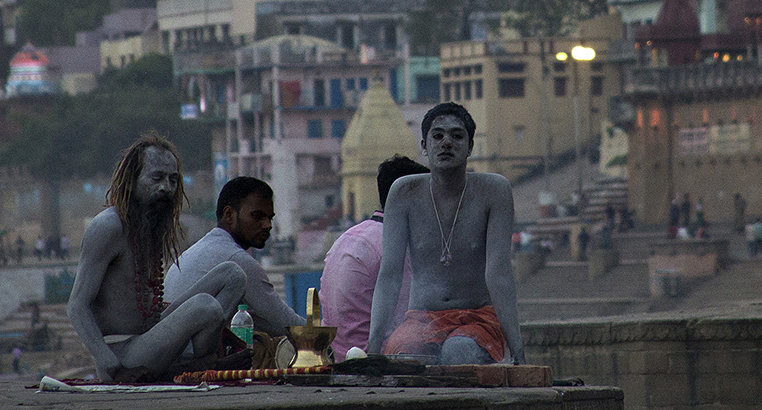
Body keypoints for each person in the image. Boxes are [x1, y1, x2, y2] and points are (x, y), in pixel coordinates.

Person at [68, 132, 247, 383]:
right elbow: (76, 306)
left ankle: (199, 358)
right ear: (132, 181)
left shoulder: (151, 224)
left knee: (233, 274)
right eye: (157, 178)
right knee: (205, 306)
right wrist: (113, 367)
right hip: (123, 355)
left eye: (173, 180)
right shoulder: (108, 227)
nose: (166, 187)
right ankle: (202, 364)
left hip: (151, 337)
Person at [368, 102, 525, 365]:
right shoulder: (403, 193)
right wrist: (373, 347)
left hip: (478, 318)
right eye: (438, 136)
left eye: (457, 136)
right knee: (407, 357)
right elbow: (390, 274)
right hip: (421, 318)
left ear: (470, 148)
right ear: (424, 146)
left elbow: (499, 273)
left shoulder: (494, 191)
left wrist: (518, 350)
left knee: (459, 353)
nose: (446, 143)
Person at [319, 155, 429, 362]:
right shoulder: (396, 247)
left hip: (333, 357)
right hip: (370, 361)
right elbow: (405, 323)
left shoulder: (346, 237)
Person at [164, 176, 305, 337]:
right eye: (257, 216)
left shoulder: (194, 251)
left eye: (270, 218)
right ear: (229, 215)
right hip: (191, 356)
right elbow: (289, 326)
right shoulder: (236, 260)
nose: (268, 225)